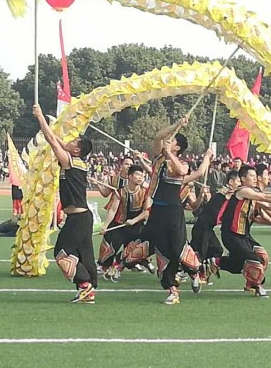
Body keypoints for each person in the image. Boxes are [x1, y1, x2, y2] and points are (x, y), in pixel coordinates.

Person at [122, 118, 212, 305]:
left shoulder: (182, 163)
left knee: (178, 249)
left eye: (171, 141)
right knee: (163, 250)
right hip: (157, 211)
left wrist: (206, 157)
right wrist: (178, 125)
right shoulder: (158, 158)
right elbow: (158, 136)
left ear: (178, 148)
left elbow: (180, 171)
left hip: (173, 212)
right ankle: (172, 290)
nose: (166, 142)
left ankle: (195, 271)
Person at [33, 103, 98, 303]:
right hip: (81, 217)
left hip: (78, 218)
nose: (68, 141)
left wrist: (40, 117)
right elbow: (58, 142)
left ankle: (85, 285)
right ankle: (88, 290)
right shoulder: (76, 160)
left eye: (73, 141)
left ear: (77, 149)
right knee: (84, 254)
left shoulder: (71, 161)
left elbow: (52, 141)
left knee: (62, 253)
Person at [214, 165, 271, 297]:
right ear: (243, 179)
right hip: (232, 235)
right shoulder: (243, 191)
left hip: (244, 236)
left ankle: (217, 263)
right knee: (255, 262)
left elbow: (269, 206)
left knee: (260, 258)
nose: (255, 179)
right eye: (252, 176)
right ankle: (257, 285)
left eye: (256, 176)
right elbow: (265, 198)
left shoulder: (252, 195)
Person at [100, 165, 151, 281]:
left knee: (130, 250)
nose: (140, 178)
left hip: (137, 225)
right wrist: (105, 225)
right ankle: (104, 266)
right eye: (137, 175)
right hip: (120, 224)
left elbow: (146, 212)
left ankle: (117, 268)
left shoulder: (144, 192)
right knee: (113, 247)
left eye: (142, 176)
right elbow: (113, 210)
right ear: (130, 176)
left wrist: (134, 220)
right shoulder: (120, 192)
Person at [190, 169, 240, 282]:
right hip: (202, 226)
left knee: (216, 250)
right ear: (231, 182)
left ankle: (203, 270)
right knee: (199, 253)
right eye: (238, 181)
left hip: (208, 227)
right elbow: (229, 193)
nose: (240, 184)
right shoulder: (226, 192)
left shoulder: (226, 192)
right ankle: (187, 271)